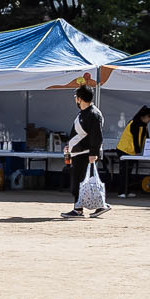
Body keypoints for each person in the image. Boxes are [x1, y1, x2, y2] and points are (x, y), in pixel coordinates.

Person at [60, 86, 106, 221]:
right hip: (79, 152)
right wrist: (70, 146)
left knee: (82, 182)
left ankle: (79, 209)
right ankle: (92, 206)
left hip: (85, 154)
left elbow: (96, 136)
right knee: (83, 182)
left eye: (76, 97)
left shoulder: (93, 114)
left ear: (80, 99)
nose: (75, 100)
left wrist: (93, 153)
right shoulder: (84, 112)